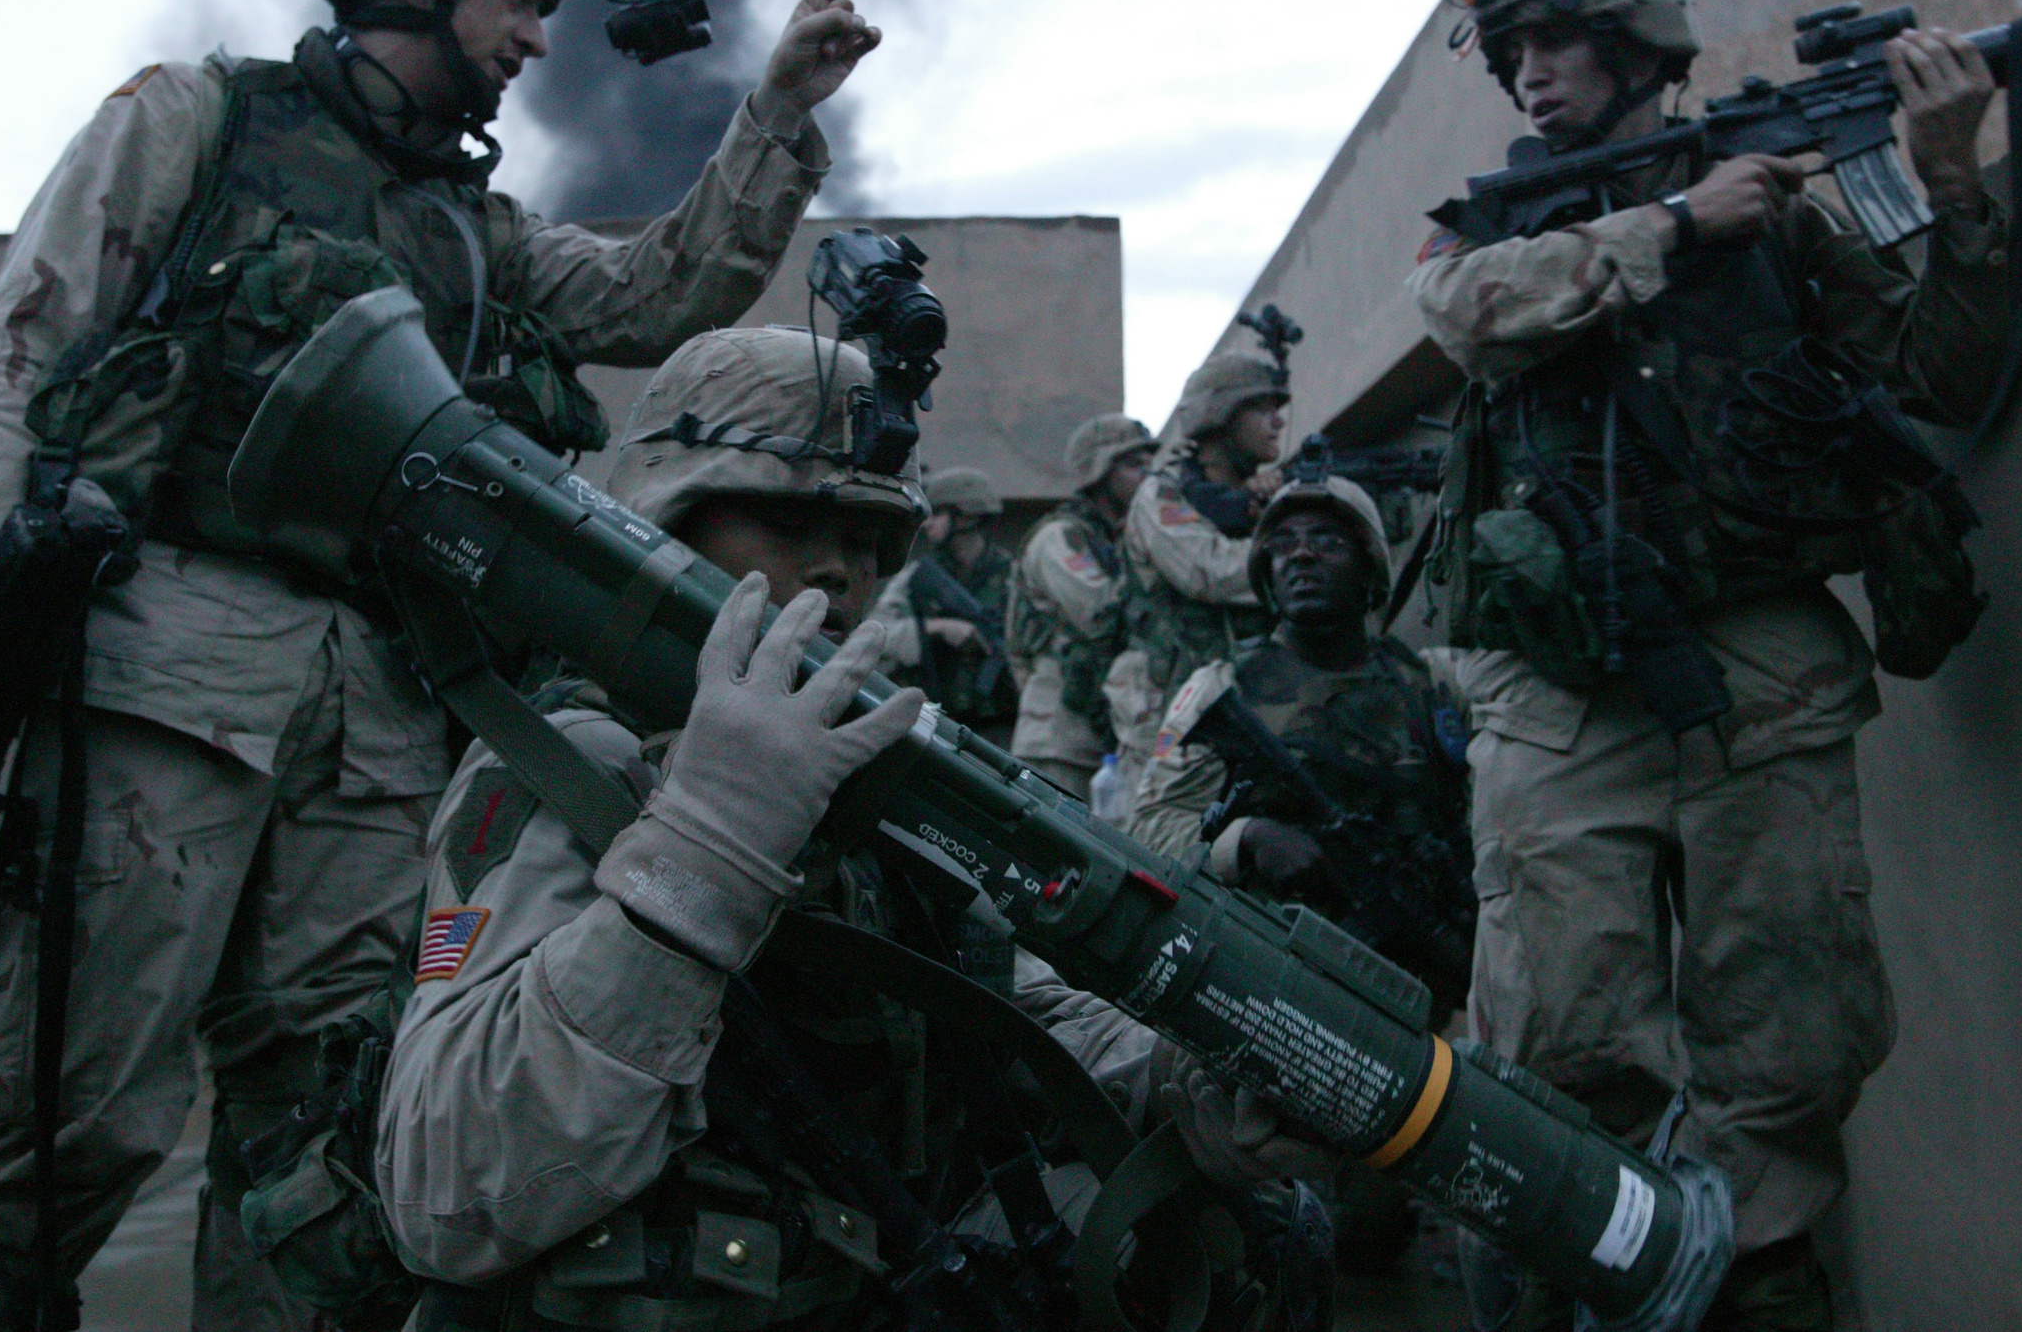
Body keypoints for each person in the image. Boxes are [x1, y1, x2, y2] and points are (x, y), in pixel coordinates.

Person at [0, 0, 888, 1332]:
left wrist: (779, 113)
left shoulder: (476, 226)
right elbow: (14, 364)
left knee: (333, 1135)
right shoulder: (195, 121)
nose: (536, 40)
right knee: (62, 1099)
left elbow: (664, 295)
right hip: (167, 666)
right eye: (515, 1)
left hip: (382, 714)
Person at [375, 326, 1332, 1329]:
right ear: (662, 522)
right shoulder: (570, 757)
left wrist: (1188, 1087)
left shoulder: (869, 760)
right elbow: (445, 1195)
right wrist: (707, 839)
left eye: (874, 544)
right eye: (792, 520)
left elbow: (1010, 1002)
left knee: (1249, 1232)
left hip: (869, 1270)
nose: (842, 572)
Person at [1411, 0, 2007, 1328]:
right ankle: (1563, 1269)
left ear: (1640, 47)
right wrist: (1674, 230)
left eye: (1560, 42)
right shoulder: (1498, 215)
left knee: (1787, 1041)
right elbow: (1463, 312)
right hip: (1563, 686)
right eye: (1516, 51)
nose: (1532, 74)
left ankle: (1763, 1281)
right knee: (1557, 1037)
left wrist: (1949, 177)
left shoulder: (1789, 208)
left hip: (1763, 667)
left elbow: (1948, 366)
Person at [1125, 475, 1473, 1273]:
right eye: (1281, 543)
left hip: (1412, 1004)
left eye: (1327, 540)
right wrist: (1243, 838)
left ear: (1372, 567)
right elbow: (1147, 832)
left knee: (1375, 1235)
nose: (1301, 556)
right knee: (1272, 1232)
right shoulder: (1221, 690)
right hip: (1273, 997)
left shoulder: (1430, 688)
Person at [1101, 355, 1287, 797]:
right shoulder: (1161, 494)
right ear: (1219, 416)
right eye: (1261, 409)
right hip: (1169, 721)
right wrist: (1295, 551)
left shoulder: (1261, 495)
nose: (1278, 422)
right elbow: (1210, 571)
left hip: (1248, 707)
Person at [1005, 413, 1156, 797]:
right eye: (1134, 464)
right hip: (1059, 740)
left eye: (1149, 463)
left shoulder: (1112, 539)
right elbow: (1100, 614)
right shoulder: (1060, 538)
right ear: (1100, 472)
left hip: (1104, 734)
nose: (1148, 475)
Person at [869, 465, 1018, 746]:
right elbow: (875, 634)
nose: (927, 523)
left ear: (967, 517)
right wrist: (935, 628)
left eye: (937, 514)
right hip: (931, 725)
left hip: (1001, 728)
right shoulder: (916, 577)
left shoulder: (1014, 578)